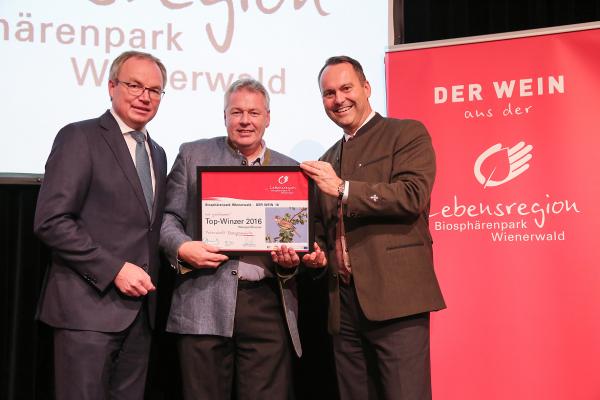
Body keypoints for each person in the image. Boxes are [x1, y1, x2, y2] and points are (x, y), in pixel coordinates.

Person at [159, 78, 325, 400]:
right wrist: (181, 246)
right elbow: (168, 218)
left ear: (268, 117)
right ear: (224, 116)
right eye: (236, 112)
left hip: (267, 304)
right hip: (203, 300)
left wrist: (291, 265)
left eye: (253, 112)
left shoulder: (291, 171)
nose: (245, 121)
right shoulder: (193, 154)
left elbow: (296, 240)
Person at [300, 55, 446, 400]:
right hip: (344, 305)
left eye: (346, 88)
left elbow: (413, 196)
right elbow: (322, 229)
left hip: (396, 297)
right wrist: (316, 256)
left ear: (366, 88)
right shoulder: (326, 158)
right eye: (329, 93)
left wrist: (343, 188)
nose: (339, 100)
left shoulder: (406, 133)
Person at [34, 50, 168, 400]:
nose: (145, 96)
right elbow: (51, 221)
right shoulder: (80, 137)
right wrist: (114, 270)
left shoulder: (158, 153)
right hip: (86, 312)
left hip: (140, 318)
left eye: (154, 90)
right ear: (111, 86)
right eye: (134, 85)